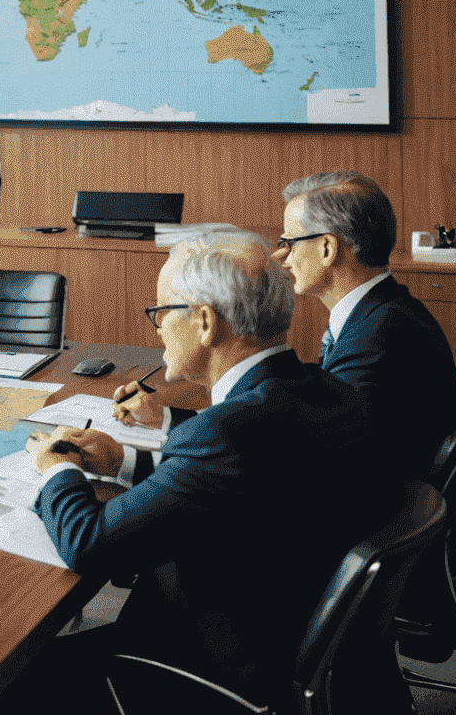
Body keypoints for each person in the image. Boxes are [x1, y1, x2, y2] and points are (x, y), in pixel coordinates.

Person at [24, 231, 388, 708]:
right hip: (295, 640)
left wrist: (55, 468)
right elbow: (242, 483)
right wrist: (124, 461)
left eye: (161, 313)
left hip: (203, 667)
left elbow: (88, 544)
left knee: (11, 677)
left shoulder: (227, 432)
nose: (156, 328)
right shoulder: (323, 389)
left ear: (204, 322)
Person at [275, 170, 456, 478]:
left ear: (327, 249)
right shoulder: (385, 310)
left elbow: (324, 450)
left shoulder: (375, 337)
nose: (283, 257)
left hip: (380, 509)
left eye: (289, 241)